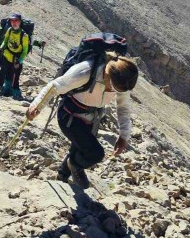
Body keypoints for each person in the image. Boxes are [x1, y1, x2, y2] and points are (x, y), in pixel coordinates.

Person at [25, 51, 139, 189]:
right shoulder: (85, 71)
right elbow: (55, 86)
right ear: (107, 74)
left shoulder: (120, 82)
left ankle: (62, 176)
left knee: (79, 148)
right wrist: (36, 106)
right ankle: (74, 165)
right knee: (95, 153)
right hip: (70, 115)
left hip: (92, 118)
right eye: (114, 88)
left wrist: (124, 136)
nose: (114, 92)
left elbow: (123, 108)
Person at [0, 13, 29, 99]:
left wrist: (20, 60)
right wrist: (1, 47)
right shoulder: (9, 30)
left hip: (16, 59)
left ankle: (14, 93)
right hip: (7, 56)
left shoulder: (24, 35)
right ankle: (2, 89)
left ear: (20, 22)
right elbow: (5, 41)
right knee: (4, 73)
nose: (14, 22)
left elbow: (25, 50)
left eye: (16, 20)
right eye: (12, 20)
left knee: (15, 77)